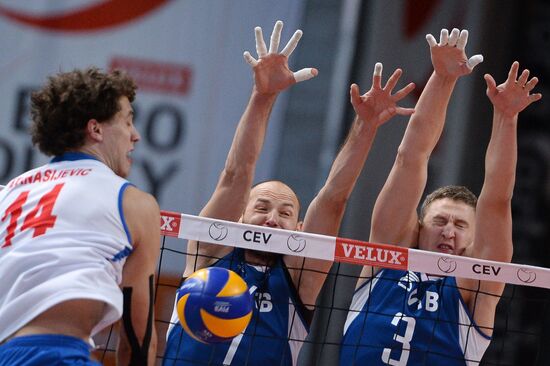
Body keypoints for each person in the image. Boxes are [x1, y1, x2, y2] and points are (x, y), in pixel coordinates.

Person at [163, 21, 415, 366]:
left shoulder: (299, 280)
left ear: (298, 230)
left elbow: (333, 199)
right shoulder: (208, 253)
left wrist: (366, 126)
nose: (271, 219)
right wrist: (263, 96)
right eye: (262, 207)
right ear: (240, 218)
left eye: (284, 214)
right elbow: (236, 176)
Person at [340, 28, 542, 365]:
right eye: (440, 220)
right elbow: (411, 158)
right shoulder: (385, 258)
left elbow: (497, 200)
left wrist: (506, 118)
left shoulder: (474, 287)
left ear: (475, 238)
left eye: (461, 224)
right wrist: (443, 77)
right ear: (418, 228)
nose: (449, 230)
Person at [0, 68, 161, 365]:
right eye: (127, 121)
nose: (135, 136)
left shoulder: (8, 193)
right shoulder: (134, 203)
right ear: (96, 129)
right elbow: (138, 341)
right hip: (56, 355)